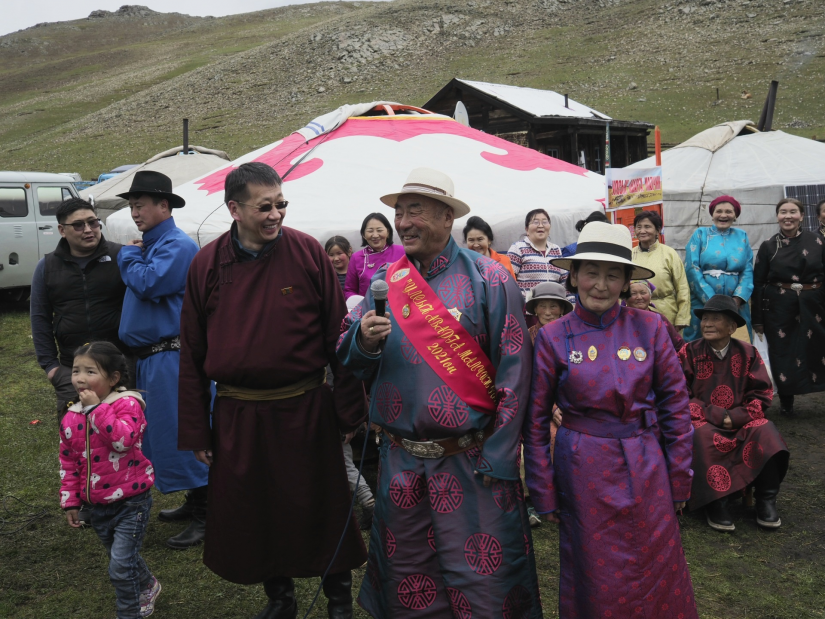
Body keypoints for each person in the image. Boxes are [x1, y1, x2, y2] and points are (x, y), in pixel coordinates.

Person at [338, 167, 542, 618]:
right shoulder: (384, 284)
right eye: (399, 213)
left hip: (474, 462)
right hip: (401, 461)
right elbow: (349, 358)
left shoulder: (489, 278)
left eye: (416, 212)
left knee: (486, 585)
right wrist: (365, 342)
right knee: (410, 582)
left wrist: (503, 456)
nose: (404, 222)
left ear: (447, 217)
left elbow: (515, 370)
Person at [177, 162, 367, 619]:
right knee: (256, 510)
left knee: (322, 506)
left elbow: (338, 338)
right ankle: (279, 599)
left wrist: (347, 412)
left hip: (305, 408)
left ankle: (338, 599)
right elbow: (193, 353)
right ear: (235, 209)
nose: (276, 214)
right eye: (265, 207)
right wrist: (197, 431)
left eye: (281, 204)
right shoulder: (206, 265)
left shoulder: (306, 253)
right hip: (239, 414)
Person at [524, 221, 697, 619]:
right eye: (591, 272)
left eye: (613, 274)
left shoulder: (651, 328)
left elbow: (675, 408)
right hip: (583, 469)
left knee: (656, 562)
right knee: (596, 571)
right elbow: (534, 424)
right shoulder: (553, 337)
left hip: (647, 463)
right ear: (574, 276)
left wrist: (680, 478)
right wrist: (543, 489)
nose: (600, 284)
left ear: (625, 281)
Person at [116, 171, 209, 549]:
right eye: (132, 206)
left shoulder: (176, 245)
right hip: (152, 360)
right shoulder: (152, 244)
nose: (135, 212)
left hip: (171, 356)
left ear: (164, 206)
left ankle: (208, 511)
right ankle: (194, 499)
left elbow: (149, 282)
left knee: (182, 432)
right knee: (164, 434)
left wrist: (126, 255)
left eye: (141, 205)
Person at [59, 342, 160, 619]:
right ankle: (148, 585)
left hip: (131, 501)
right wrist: (71, 501)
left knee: (119, 566)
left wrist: (96, 410)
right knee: (123, 558)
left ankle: (129, 613)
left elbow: (123, 441)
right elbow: (68, 461)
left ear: (113, 378)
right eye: (76, 370)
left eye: (90, 371)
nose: (79, 378)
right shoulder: (71, 415)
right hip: (97, 506)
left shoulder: (127, 404)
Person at [679, 295, 789, 531]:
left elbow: (762, 394)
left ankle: (766, 500)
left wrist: (737, 417)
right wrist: (719, 416)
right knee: (701, 435)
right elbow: (679, 395)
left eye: (715, 319)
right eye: (705, 319)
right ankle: (715, 502)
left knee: (766, 431)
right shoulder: (688, 352)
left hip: (741, 419)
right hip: (703, 420)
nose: (707, 324)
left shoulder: (748, 352)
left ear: (731, 327)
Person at [30, 198, 129, 420]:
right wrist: (52, 368)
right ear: (62, 230)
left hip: (120, 365)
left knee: (125, 436)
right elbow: (39, 318)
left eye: (93, 222)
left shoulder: (121, 256)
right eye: (78, 225)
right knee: (77, 438)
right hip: (72, 370)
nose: (88, 230)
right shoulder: (46, 267)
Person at [753, 197, 825, 416]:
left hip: (814, 304)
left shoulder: (818, 241)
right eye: (783, 212)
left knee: (819, 349)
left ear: (802, 216)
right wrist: (757, 318)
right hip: (779, 307)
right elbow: (758, 282)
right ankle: (786, 402)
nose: (788, 216)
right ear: (777, 216)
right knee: (782, 351)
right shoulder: (768, 246)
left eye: (793, 212)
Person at [524, 281, 572, 526]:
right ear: (536, 309)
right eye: (543, 306)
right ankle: (535, 500)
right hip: (534, 405)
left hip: (569, 405)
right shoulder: (527, 338)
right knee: (541, 438)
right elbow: (527, 378)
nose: (548, 311)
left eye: (554, 306)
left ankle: (568, 499)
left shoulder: (572, 336)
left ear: (562, 308)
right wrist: (551, 408)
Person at [684, 195, 754, 342]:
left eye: (729, 211)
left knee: (738, 343)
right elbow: (692, 268)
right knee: (699, 341)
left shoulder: (742, 236)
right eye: (719, 211)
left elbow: (747, 269)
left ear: (735, 215)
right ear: (712, 214)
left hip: (736, 303)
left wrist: (737, 299)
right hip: (703, 300)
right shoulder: (700, 235)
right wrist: (712, 301)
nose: (723, 215)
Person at [631, 211, 691, 330]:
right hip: (634, 314)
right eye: (639, 227)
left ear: (658, 230)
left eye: (647, 227)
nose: (642, 231)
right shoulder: (629, 254)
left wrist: (682, 318)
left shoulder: (669, 254)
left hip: (666, 313)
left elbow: (682, 287)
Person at [507, 208, 567, 300]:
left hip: (554, 308)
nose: (540, 225)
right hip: (527, 308)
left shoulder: (556, 250)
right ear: (527, 229)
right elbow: (508, 282)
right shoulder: (518, 248)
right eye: (535, 222)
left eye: (544, 222)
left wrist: (571, 302)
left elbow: (565, 281)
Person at [344, 212, 405, 298]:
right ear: (364, 235)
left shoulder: (402, 252)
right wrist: (361, 305)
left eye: (379, 230)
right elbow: (349, 290)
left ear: (388, 232)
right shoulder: (356, 258)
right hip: (367, 309)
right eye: (370, 231)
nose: (375, 235)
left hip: (400, 307)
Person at [626, 280, 686, 352]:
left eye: (643, 293)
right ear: (625, 298)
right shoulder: (621, 319)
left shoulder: (659, 318)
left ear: (650, 296)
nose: (639, 297)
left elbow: (679, 345)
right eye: (633, 294)